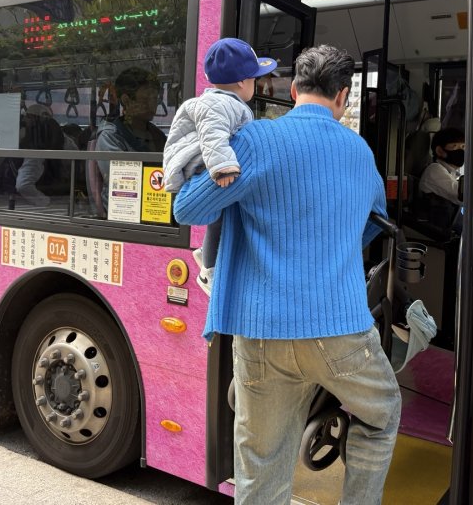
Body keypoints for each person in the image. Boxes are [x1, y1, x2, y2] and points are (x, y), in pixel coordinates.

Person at [173, 45, 398, 505]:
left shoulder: (256, 141)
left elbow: (186, 208)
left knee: (261, 461)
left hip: (261, 333)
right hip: (342, 331)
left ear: (293, 90)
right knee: (382, 414)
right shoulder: (360, 151)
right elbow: (376, 219)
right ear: (343, 96)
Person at [162, 37, 277, 296]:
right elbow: (213, 135)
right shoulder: (220, 104)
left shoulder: (224, 102)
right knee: (222, 213)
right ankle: (210, 272)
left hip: (206, 161)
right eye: (254, 79)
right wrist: (223, 166)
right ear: (241, 82)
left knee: (223, 213)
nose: (255, 85)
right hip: (203, 164)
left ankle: (207, 254)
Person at [94, 67, 167, 213]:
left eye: (155, 98)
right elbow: (125, 182)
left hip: (154, 207)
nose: (152, 104)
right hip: (125, 210)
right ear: (126, 100)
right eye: (146, 99)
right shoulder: (110, 136)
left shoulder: (157, 135)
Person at [415, 126, 465, 233]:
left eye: (463, 146)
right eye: (455, 146)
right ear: (440, 151)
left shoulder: (450, 173)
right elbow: (459, 195)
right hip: (437, 234)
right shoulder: (434, 170)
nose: (461, 150)